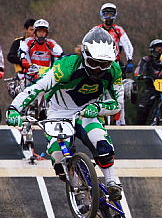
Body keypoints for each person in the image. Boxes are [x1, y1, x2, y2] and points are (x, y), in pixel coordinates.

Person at [6, 27, 125, 199]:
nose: (99, 69)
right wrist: (14, 109)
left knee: (102, 143)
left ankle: (112, 182)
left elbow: (117, 105)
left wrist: (98, 108)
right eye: (94, 63)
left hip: (87, 112)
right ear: (84, 55)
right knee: (58, 159)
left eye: (104, 64)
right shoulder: (66, 67)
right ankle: (78, 191)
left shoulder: (114, 70)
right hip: (58, 112)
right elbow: (37, 88)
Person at [135, 39, 162, 124]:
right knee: (143, 107)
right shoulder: (146, 59)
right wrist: (140, 75)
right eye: (158, 49)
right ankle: (140, 128)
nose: (160, 51)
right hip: (152, 88)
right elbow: (139, 69)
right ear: (152, 50)